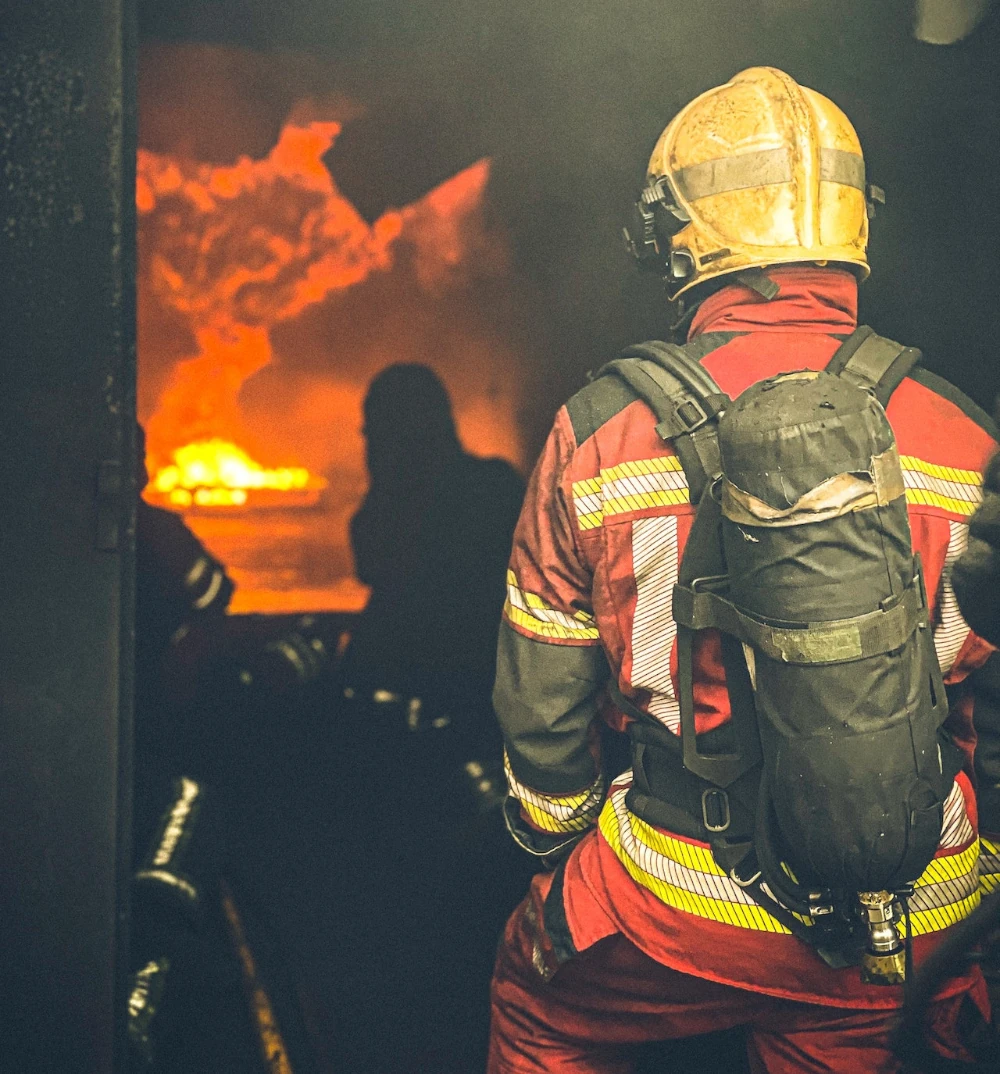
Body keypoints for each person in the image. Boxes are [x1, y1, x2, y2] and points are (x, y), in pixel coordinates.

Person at [489, 67, 999, 1073]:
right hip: (917, 909)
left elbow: (543, 697)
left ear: (676, 233)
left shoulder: (600, 431)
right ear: (852, 225)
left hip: (681, 896)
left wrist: (557, 848)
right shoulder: (963, 434)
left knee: (536, 1003)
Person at [345, 364, 525, 748]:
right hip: (490, 699)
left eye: (375, 433)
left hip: (442, 702)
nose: (370, 445)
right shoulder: (497, 485)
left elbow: (375, 562)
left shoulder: (405, 508)